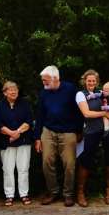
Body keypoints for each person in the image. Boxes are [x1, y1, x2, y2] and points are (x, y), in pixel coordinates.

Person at [34, 65, 80, 207]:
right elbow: (40, 115)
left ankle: (68, 194)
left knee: (69, 164)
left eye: (46, 80)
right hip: (48, 131)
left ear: (56, 78)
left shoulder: (70, 89)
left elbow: (79, 111)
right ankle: (53, 192)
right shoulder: (44, 93)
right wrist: (37, 137)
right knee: (46, 162)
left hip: (68, 131)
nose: (44, 83)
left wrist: (79, 131)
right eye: (43, 80)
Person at [75, 70, 109, 206]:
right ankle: (81, 192)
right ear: (85, 81)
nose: (91, 83)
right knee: (86, 159)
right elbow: (87, 114)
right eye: (89, 80)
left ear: (97, 81)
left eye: (94, 80)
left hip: (108, 130)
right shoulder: (80, 94)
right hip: (91, 130)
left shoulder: (103, 92)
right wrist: (103, 114)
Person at [0, 81, 34, 206]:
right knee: (7, 169)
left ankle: (24, 194)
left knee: (23, 169)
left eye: (15, 89)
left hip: (23, 140)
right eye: (10, 90)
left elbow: (29, 121)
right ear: (5, 92)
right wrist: (10, 134)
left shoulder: (25, 104)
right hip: (6, 141)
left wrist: (16, 133)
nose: (13, 92)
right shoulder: (0, 105)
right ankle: (9, 195)